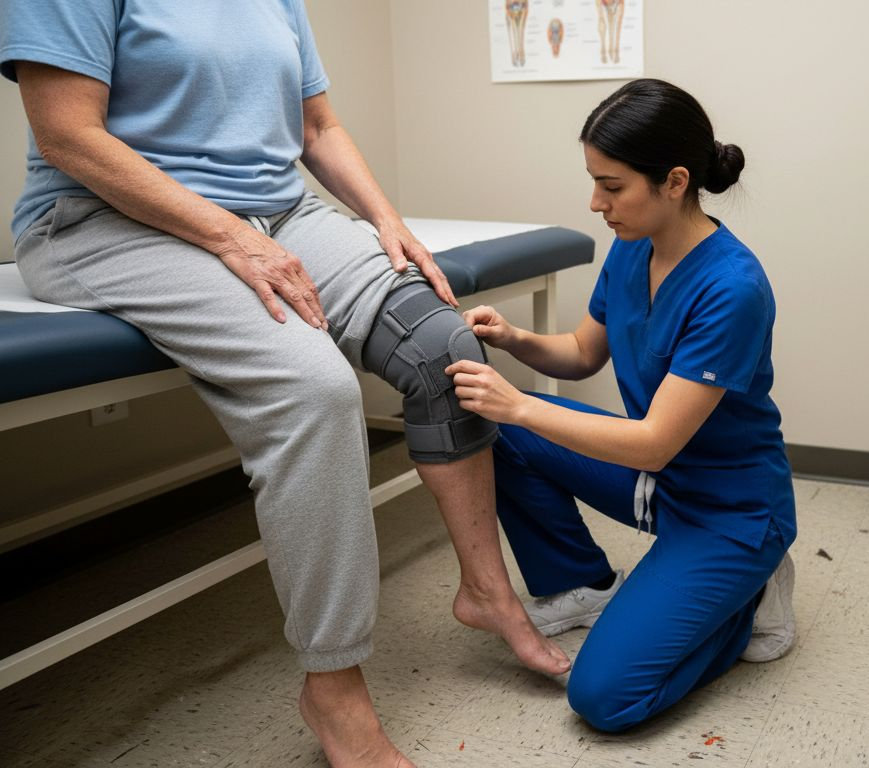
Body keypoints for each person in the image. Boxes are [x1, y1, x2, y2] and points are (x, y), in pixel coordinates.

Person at [0, 2, 568, 766]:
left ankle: (487, 593)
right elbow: (66, 134)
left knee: (443, 345)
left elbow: (318, 129)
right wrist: (233, 238)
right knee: (315, 389)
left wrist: (384, 218)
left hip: (281, 211)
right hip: (106, 220)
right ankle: (333, 689)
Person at [447, 78, 798, 732]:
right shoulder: (632, 242)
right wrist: (515, 339)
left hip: (731, 511)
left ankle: (751, 595)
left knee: (603, 698)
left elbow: (655, 441)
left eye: (612, 187)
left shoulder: (732, 287)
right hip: (659, 481)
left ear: (673, 181)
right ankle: (581, 582)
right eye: (593, 181)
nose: (595, 203)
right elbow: (583, 352)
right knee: (498, 427)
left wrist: (517, 405)